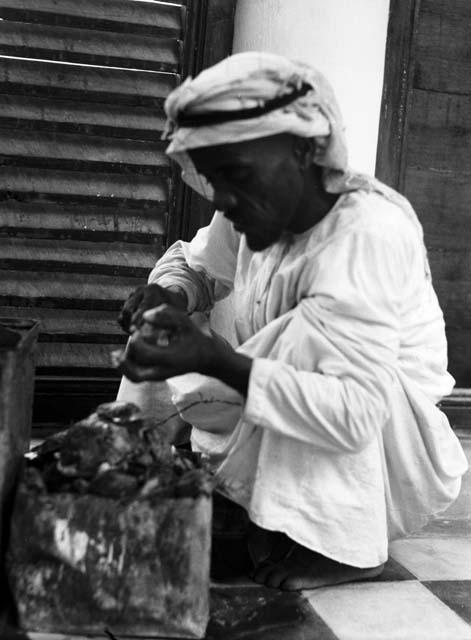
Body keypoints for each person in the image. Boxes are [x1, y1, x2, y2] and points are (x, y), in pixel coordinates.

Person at [117, 52, 468, 591]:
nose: (224, 198)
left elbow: (354, 411)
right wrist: (168, 295)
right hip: (304, 390)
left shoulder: (365, 234)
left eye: (235, 176)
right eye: (214, 181)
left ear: (305, 151)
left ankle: (349, 546)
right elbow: (198, 265)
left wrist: (214, 358)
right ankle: (126, 477)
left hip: (387, 433)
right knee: (172, 317)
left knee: (293, 336)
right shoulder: (254, 200)